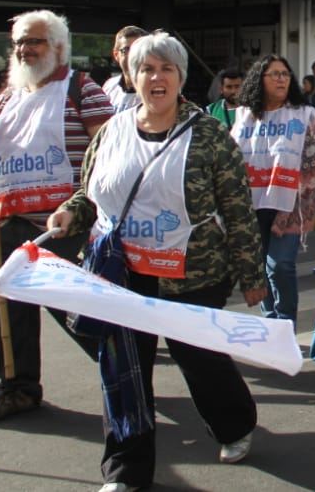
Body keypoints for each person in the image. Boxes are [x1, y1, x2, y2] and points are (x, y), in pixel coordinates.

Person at [48, 32, 267, 487]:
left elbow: (238, 211)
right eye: (146, 68)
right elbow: (90, 194)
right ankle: (125, 469)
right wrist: (70, 212)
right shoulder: (112, 132)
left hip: (194, 274)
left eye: (166, 68)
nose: (156, 77)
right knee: (123, 370)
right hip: (122, 273)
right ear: (132, 77)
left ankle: (234, 423)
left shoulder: (209, 136)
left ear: (180, 77)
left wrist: (252, 275)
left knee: (201, 360)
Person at [0, 9, 114, 423]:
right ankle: (17, 388)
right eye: (18, 43)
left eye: (34, 41)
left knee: (74, 311)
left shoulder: (83, 90)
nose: (24, 50)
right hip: (10, 221)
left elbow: (111, 152)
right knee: (7, 308)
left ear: (59, 48)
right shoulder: (6, 97)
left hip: (64, 224)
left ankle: (124, 368)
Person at [230, 55, 315, 322]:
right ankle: (270, 321)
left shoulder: (304, 115)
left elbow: (314, 162)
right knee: (259, 267)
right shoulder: (244, 116)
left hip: (290, 204)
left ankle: (286, 321)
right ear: (260, 80)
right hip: (252, 206)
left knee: (280, 265)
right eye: (275, 74)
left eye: (285, 74)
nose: (282, 79)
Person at [101, 26, 147, 114]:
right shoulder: (109, 86)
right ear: (116, 55)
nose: (132, 55)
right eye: (126, 49)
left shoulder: (155, 90)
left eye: (138, 49)